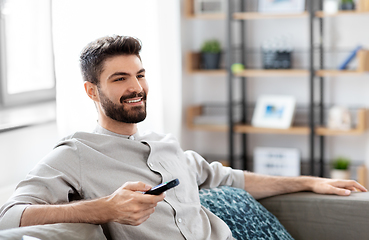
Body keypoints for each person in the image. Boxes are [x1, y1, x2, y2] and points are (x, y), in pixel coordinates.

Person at [0, 35, 366, 240]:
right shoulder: (75, 153)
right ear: (91, 91)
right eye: (120, 79)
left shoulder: (169, 146)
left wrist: (310, 181)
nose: (136, 87)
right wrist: (105, 208)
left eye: (140, 75)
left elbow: (232, 179)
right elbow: (8, 216)